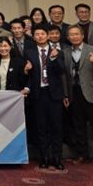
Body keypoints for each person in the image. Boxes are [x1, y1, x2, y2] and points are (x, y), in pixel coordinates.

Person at [62, 25, 93, 168]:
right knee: (78, 126)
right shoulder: (65, 52)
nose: (74, 37)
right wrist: (66, 95)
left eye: (77, 34)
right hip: (74, 93)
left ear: (82, 36)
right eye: (71, 35)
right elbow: (64, 76)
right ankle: (82, 154)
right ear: (68, 37)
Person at [23, 24, 66, 170]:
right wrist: (26, 70)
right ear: (33, 37)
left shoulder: (57, 51)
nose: (40, 36)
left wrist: (53, 58)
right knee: (41, 127)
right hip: (38, 93)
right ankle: (44, 158)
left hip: (54, 94)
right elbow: (27, 75)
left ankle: (57, 158)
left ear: (48, 35)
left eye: (42, 34)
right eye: (37, 34)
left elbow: (61, 71)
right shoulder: (29, 52)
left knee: (56, 127)